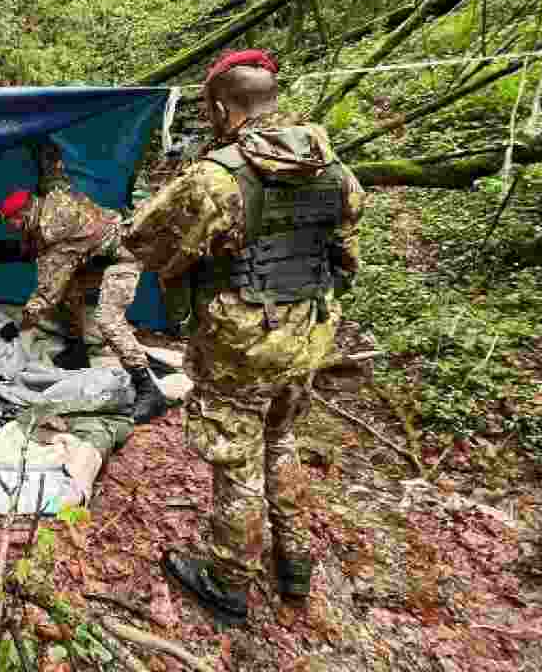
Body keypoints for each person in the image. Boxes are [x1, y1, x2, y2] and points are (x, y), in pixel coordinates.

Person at [122, 49, 366, 624]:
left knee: (237, 460)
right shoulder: (335, 170)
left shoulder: (216, 176)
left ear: (223, 107)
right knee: (280, 441)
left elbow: (145, 242)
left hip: (242, 342)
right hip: (308, 332)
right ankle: (295, 562)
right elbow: (346, 258)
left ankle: (228, 580)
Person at [0, 181, 168, 421]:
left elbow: (47, 294)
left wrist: (18, 325)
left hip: (126, 256)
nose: (11, 228)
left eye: (11, 221)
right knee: (69, 290)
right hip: (103, 254)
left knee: (107, 319)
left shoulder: (53, 232)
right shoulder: (51, 202)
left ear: (23, 213)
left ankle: (149, 389)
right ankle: (78, 350)